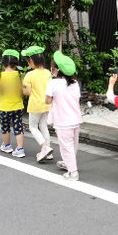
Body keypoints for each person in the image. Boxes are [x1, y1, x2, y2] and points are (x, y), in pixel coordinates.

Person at [45, 51, 82, 180]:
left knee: (66, 147)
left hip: (62, 121)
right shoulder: (75, 83)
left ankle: (73, 173)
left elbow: (48, 101)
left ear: (56, 70)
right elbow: (77, 100)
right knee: (73, 145)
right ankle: (68, 164)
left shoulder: (53, 83)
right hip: (75, 119)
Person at [0, 49, 25, 158]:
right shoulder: (20, 75)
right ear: (16, 63)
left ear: (3, 63)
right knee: (18, 127)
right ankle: (20, 149)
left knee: (5, 127)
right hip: (18, 107)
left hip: (5, 108)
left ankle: (7, 145)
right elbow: (23, 91)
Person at [21, 46, 52, 162]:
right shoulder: (48, 72)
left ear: (32, 61)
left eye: (28, 61)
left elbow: (27, 92)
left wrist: (21, 88)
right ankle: (49, 152)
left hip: (35, 105)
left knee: (33, 127)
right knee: (43, 126)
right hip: (47, 104)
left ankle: (44, 148)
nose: (28, 63)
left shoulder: (30, 75)